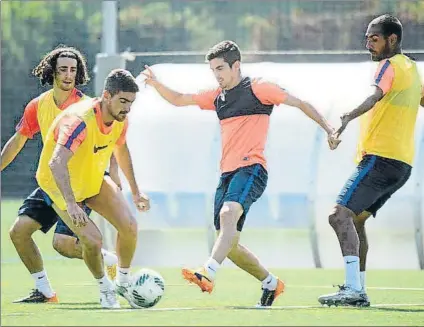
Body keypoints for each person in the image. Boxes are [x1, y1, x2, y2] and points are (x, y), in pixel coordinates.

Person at [141, 40, 339, 306]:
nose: (217, 75)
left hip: (252, 168)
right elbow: (179, 100)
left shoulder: (259, 88)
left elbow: (300, 102)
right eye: (213, 70)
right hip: (227, 174)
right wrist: (156, 84)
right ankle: (271, 284)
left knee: (228, 215)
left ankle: (207, 272)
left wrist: (328, 128)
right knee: (230, 244)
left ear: (236, 65)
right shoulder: (216, 96)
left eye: (221, 68)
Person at [318, 14, 424, 307]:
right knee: (356, 220)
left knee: (339, 215)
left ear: (392, 39)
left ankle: (352, 289)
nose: (368, 44)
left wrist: (347, 117)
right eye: (367, 38)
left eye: (374, 39)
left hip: (382, 159)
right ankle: (358, 289)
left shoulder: (387, 66)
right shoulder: (412, 69)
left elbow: (374, 96)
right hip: (401, 164)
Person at [1, 46, 119, 303]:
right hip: (49, 182)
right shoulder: (38, 105)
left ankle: (110, 277)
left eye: (73, 71)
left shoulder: (88, 107)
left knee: (63, 244)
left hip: (79, 186)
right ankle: (44, 290)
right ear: (52, 72)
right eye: (63, 69)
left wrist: (114, 178)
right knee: (18, 232)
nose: (68, 75)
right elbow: (18, 141)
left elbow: (110, 143)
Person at [36, 68, 150, 309]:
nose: (127, 108)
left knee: (129, 226)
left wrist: (136, 191)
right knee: (92, 239)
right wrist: (70, 203)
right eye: (123, 101)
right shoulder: (79, 122)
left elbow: (121, 150)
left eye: (131, 102)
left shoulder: (120, 119)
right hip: (57, 183)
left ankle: (123, 282)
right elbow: (56, 163)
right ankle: (105, 288)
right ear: (106, 96)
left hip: (91, 178)